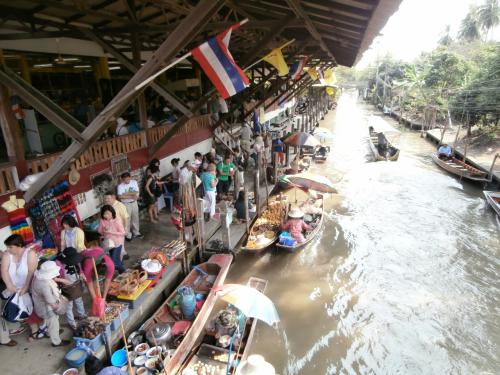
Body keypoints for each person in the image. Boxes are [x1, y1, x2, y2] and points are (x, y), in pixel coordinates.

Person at [1, 234, 38, 346]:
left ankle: (37, 329)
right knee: (19, 309)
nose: (7, 249)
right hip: (12, 289)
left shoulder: (30, 254)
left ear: (19, 245)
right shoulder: (8, 255)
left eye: (10, 247)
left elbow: (31, 272)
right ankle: (30, 327)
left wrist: (26, 287)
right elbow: (4, 271)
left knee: (32, 307)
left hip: (29, 285)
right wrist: (9, 285)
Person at [31, 261, 71, 347]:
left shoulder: (38, 277)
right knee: (53, 322)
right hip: (46, 309)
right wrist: (60, 307)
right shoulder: (44, 284)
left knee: (50, 322)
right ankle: (56, 341)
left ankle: (51, 332)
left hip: (40, 305)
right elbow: (51, 301)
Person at [56, 247, 86, 331]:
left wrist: (81, 274)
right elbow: (56, 278)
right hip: (66, 288)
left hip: (76, 284)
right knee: (69, 306)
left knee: (79, 300)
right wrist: (61, 281)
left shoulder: (76, 260)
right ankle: (72, 323)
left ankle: (82, 315)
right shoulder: (58, 264)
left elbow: (80, 270)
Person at [97, 205, 126, 273]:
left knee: (114, 261)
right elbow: (99, 231)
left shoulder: (117, 220)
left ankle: (124, 271)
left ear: (112, 213)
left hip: (117, 243)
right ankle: (122, 274)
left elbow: (123, 233)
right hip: (109, 244)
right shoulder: (102, 220)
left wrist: (110, 232)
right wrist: (104, 230)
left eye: (108, 213)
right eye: (104, 214)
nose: (106, 215)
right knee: (116, 259)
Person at [117, 172, 143, 240]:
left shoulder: (134, 182)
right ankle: (127, 234)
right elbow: (120, 196)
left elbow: (136, 192)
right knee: (127, 219)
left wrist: (126, 194)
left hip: (134, 203)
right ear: (122, 179)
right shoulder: (120, 186)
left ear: (130, 177)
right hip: (125, 204)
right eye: (125, 179)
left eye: (128, 179)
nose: (127, 181)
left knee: (135, 217)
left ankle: (136, 232)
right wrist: (132, 195)